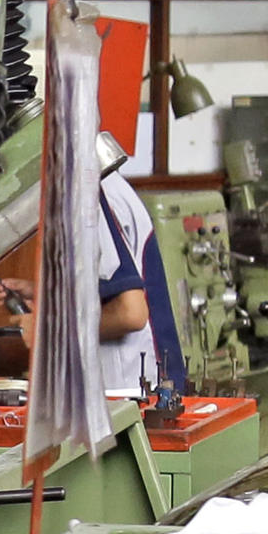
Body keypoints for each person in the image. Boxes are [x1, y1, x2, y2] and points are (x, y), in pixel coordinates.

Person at [88, 135, 188, 399]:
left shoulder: (90, 193)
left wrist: (47, 331)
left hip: (132, 393)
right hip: (148, 386)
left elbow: (129, 313)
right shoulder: (112, 185)